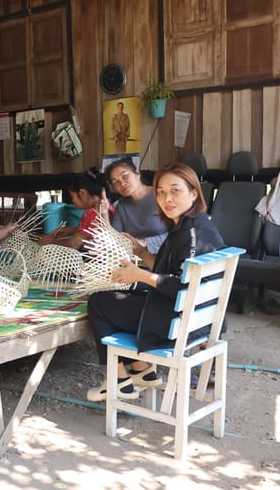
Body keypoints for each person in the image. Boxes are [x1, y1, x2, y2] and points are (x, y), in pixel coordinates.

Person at [85, 162, 225, 401]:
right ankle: (141, 370)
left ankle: (118, 379)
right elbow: (168, 273)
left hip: (178, 325)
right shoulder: (194, 225)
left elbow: (183, 287)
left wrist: (139, 275)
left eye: (175, 191)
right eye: (161, 192)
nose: (166, 198)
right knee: (127, 289)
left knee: (99, 302)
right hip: (192, 317)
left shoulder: (192, 235)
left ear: (193, 193)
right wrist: (140, 256)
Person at [38, 168, 113, 250]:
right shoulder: (107, 206)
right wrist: (71, 230)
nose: (72, 200)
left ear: (82, 193)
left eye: (72, 196)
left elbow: (73, 244)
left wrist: (51, 242)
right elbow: (91, 231)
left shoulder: (92, 213)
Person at [104, 157, 168, 254]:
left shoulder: (161, 195)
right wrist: (104, 213)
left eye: (125, 176)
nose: (122, 183)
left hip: (166, 255)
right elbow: (114, 239)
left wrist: (145, 242)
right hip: (136, 259)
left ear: (137, 173)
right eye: (115, 182)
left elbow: (180, 232)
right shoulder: (121, 206)